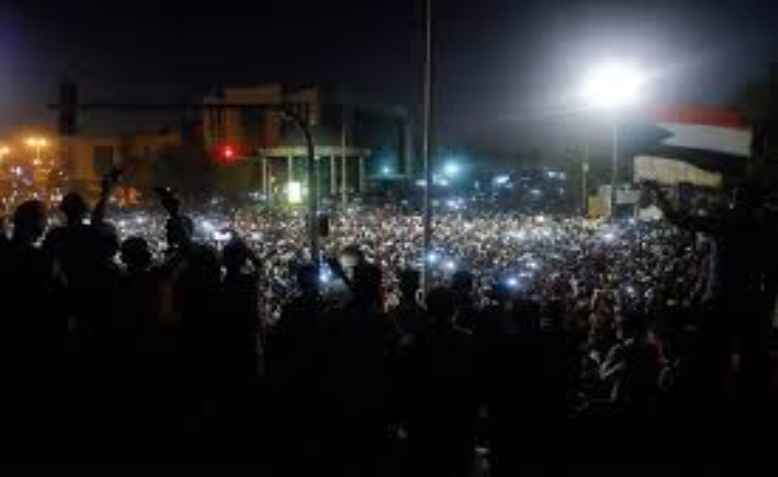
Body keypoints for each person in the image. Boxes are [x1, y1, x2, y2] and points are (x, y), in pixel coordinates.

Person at [403, 286, 476, 477]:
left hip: (423, 422)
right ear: (454, 309)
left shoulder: (414, 340)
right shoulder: (466, 341)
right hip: (455, 423)